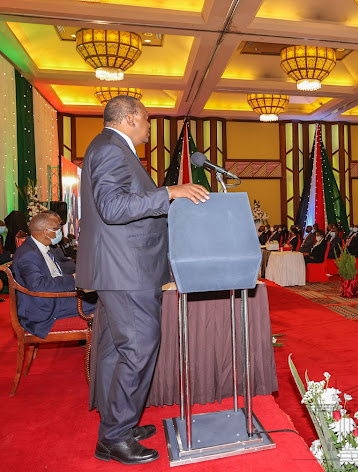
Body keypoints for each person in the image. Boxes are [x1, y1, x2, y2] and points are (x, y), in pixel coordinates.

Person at [77, 95, 209, 465]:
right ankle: (114, 437)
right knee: (138, 349)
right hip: (126, 270)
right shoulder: (110, 150)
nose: (149, 127)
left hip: (122, 268)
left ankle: (119, 422)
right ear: (132, 117)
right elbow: (114, 207)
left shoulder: (110, 147)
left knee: (116, 351)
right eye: (147, 120)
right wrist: (169, 192)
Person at [10, 213, 97, 338]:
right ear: (46, 232)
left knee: (100, 296)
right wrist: (73, 279)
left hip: (52, 298)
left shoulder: (40, 247)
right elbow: (38, 285)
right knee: (103, 302)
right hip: (43, 309)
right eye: (57, 229)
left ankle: (98, 342)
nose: (60, 232)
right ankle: (101, 345)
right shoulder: (28, 254)